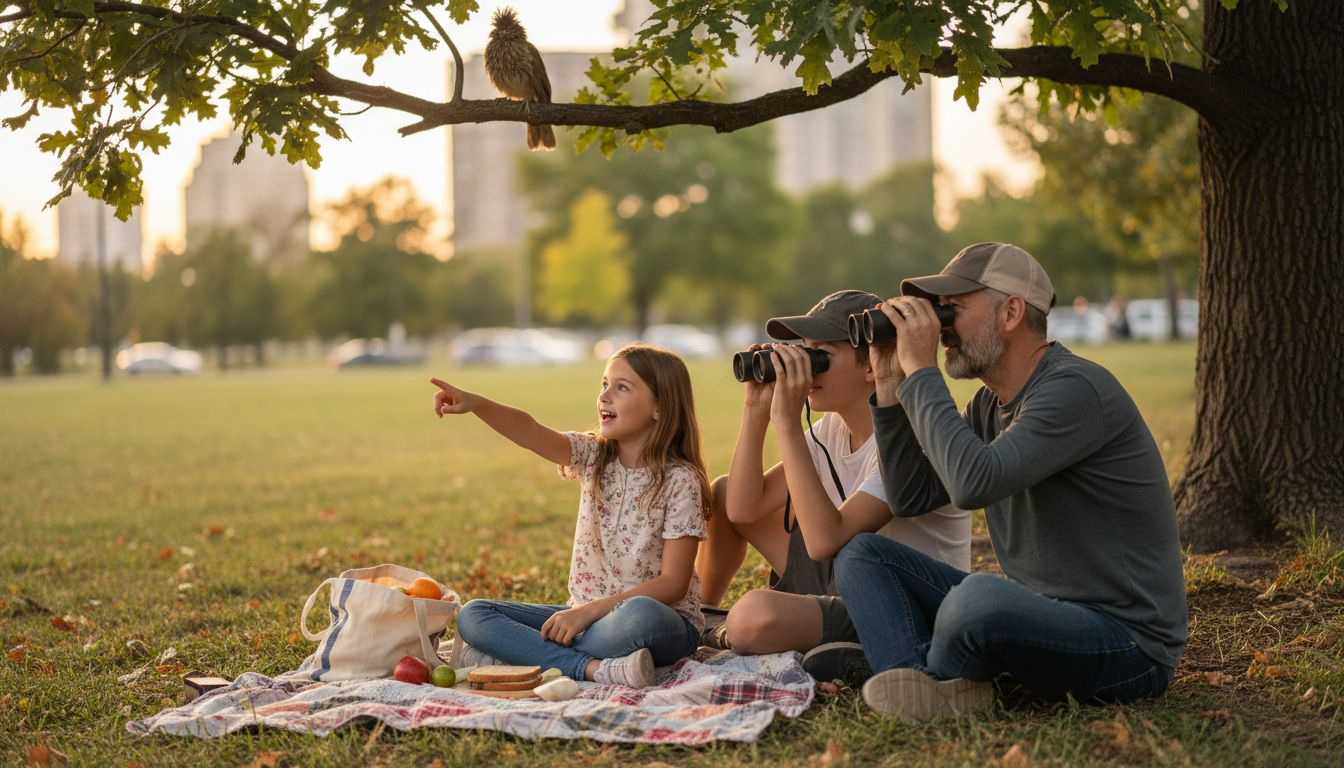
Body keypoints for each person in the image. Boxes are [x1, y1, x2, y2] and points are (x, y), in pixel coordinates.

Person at [835, 242, 1187, 721]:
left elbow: (973, 483)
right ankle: (921, 681)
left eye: (951, 309)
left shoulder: (1075, 389)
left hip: (1125, 645)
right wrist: (889, 386)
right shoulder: (988, 405)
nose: (940, 329)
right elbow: (911, 495)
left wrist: (921, 370)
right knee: (861, 553)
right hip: (1040, 615)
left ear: (1012, 312)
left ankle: (912, 668)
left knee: (978, 599)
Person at [695, 290, 969, 685]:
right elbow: (741, 509)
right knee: (722, 493)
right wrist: (756, 412)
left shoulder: (910, 439)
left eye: (821, 355)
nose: (806, 368)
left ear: (872, 366)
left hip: (899, 600)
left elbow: (825, 541)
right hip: (839, 580)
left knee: (751, 618)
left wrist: (788, 423)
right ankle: (703, 613)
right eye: (804, 351)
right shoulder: (833, 429)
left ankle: (853, 644)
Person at [433, 343, 710, 688]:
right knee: (475, 615)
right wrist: (477, 404)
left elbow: (673, 584)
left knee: (640, 614)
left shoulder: (680, 480)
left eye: (622, 387)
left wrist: (587, 613)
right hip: (588, 620)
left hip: (658, 624)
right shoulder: (593, 455)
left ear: (659, 407)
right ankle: (594, 669)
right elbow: (530, 431)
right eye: (604, 383)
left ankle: (521, 653)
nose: (605, 396)